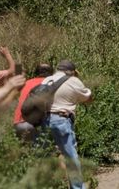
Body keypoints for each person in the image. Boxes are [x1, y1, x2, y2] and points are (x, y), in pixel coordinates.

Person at [41, 60, 92, 189]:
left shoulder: (47, 80)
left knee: (46, 156)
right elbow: (88, 98)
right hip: (61, 120)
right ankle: (77, 187)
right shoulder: (73, 81)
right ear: (72, 71)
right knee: (71, 157)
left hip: (45, 120)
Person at [13, 63, 54, 142]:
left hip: (17, 123)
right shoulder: (48, 84)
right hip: (33, 125)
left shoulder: (26, 83)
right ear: (51, 73)